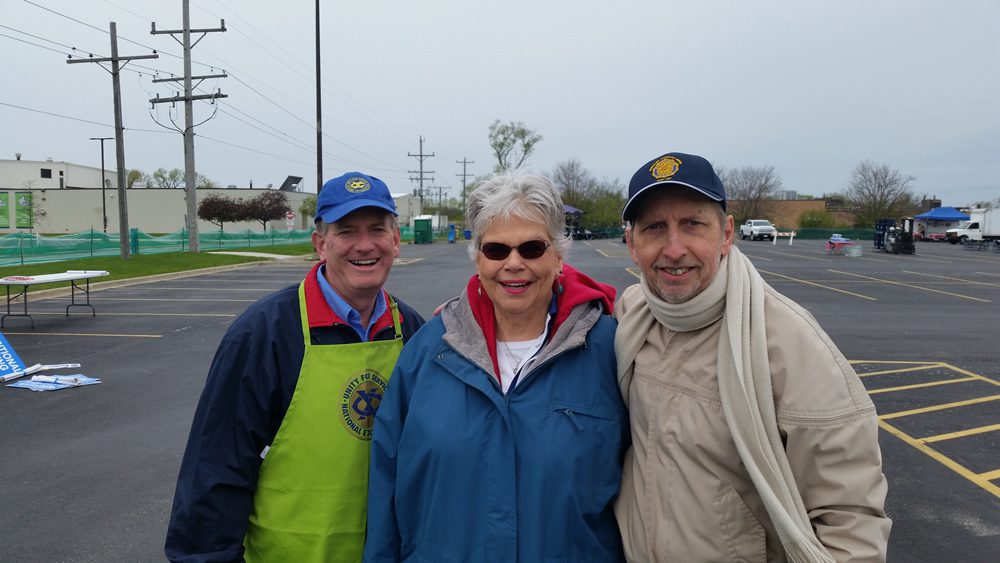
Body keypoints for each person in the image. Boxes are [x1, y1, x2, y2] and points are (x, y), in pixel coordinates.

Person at [615, 152, 891, 562]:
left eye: (693, 224)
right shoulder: (633, 315)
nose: (674, 249)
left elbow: (851, 519)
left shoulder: (790, 343)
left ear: (726, 234)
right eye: (655, 227)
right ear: (632, 246)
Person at [364, 172, 627, 562]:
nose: (514, 263)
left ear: (559, 256)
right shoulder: (428, 351)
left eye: (533, 248)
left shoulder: (611, 350)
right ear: (478, 259)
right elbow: (386, 485)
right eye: (497, 250)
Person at [165, 172, 425, 563]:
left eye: (377, 229)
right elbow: (216, 467)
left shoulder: (414, 333)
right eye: (347, 231)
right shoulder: (262, 335)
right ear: (321, 244)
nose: (365, 244)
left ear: (396, 240)